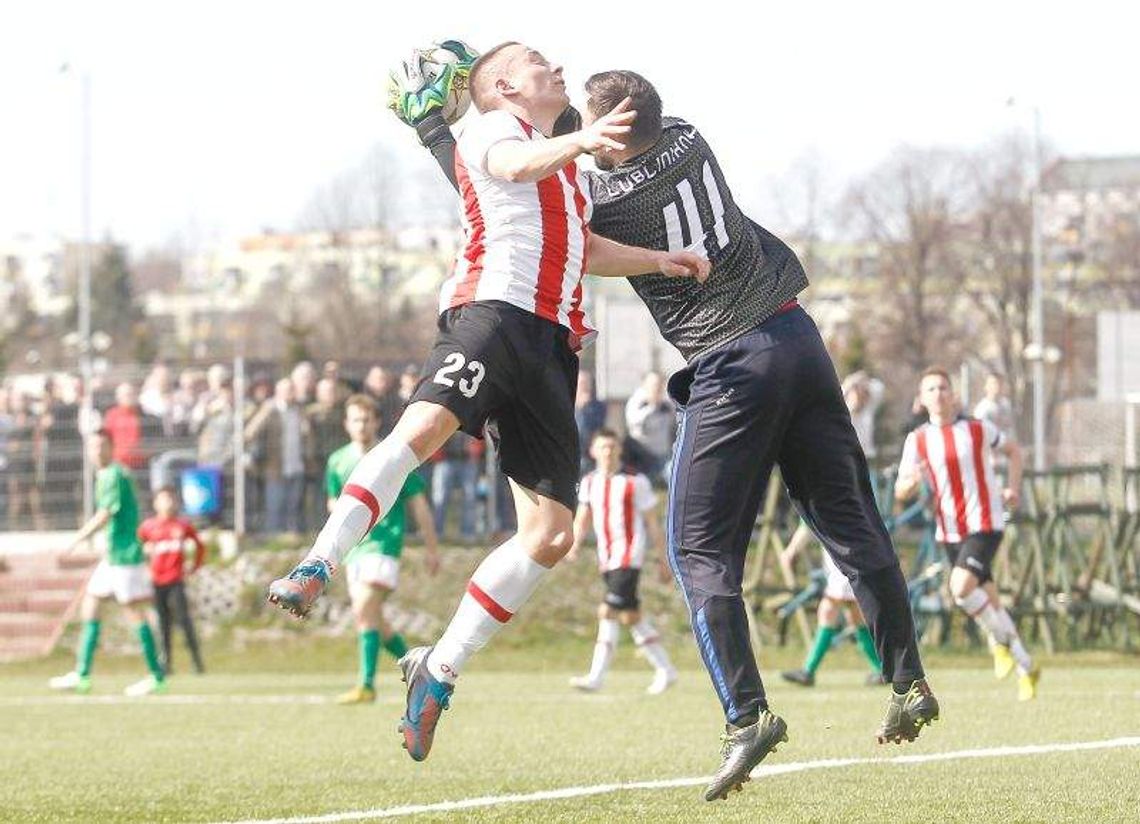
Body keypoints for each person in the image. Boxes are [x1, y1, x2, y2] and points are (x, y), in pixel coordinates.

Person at [397, 54, 937, 799]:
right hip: (798, 341)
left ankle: (746, 717)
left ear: (610, 136)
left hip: (731, 366)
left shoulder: (599, 194)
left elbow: (509, 194)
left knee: (698, 551)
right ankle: (908, 680)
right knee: (850, 521)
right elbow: (607, 143)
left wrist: (437, 133)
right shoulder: (689, 136)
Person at [270, 40, 706, 769]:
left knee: (553, 536)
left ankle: (436, 668)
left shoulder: (555, 156)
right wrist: (580, 138)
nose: (558, 68)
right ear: (503, 84)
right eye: (539, 60)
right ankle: (321, 560)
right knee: (426, 428)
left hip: (554, 349)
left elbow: (583, 246)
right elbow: (509, 167)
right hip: (494, 315)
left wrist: (659, 261)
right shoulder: (494, 132)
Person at [895, 367, 1039, 700]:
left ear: (953, 394)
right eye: (931, 389)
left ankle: (1000, 644)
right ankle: (1027, 666)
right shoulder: (917, 440)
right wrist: (911, 484)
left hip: (985, 523)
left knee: (961, 589)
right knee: (991, 601)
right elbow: (902, 490)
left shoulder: (976, 428)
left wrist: (1013, 489)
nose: (939, 393)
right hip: (950, 531)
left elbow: (1015, 451)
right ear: (921, 399)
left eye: (943, 387)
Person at [327, 395, 441, 704]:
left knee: (365, 608)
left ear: (376, 421)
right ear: (346, 424)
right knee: (373, 619)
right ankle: (423, 671)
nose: (361, 425)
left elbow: (419, 504)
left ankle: (366, 685)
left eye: (366, 419)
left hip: (384, 546)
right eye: (355, 419)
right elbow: (334, 504)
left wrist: (432, 548)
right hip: (354, 551)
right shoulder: (337, 461)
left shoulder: (392, 457)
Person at [49, 430, 166, 696]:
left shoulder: (113, 474)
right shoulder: (107, 474)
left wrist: (78, 539)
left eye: (101, 445)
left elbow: (105, 513)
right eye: (92, 446)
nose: (96, 451)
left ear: (112, 447)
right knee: (90, 605)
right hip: (112, 556)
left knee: (133, 612)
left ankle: (157, 675)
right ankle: (82, 675)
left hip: (125, 556)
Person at [568, 429, 675, 694]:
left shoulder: (635, 481)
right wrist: (574, 545)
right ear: (593, 451)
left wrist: (663, 559)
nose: (608, 452)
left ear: (619, 450)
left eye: (612, 447)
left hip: (629, 555)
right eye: (602, 447)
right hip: (607, 557)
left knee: (608, 611)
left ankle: (596, 677)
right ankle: (666, 669)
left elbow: (652, 523)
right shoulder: (590, 482)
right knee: (630, 616)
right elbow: (582, 518)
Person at [138, 487, 207, 674]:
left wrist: (194, 566)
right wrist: (145, 568)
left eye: (170, 499)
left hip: (175, 580)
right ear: (155, 503)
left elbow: (200, 546)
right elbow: (137, 548)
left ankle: (197, 662)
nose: (167, 502)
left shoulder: (182, 526)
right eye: (163, 499)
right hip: (157, 582)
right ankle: (166, 664)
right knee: (163, 623)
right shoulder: (148, 527)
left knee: (184, 621)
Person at [246, 378, 312, 534]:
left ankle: (291, 540)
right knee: (274, 508)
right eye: (287, 390)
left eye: (292, 390)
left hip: (296, 465)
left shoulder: (299, 410)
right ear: (278, 393)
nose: (291, 393)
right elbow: (250, 433)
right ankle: (273, 539)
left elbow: (308, 436)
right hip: (275, 468)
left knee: (294, 507)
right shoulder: (270, 410)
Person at [623, 371, 674, 483]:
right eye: (653, 385)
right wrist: (651, 407)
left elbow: (673, 424)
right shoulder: (636, 403)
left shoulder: (668, 405)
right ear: (644, 385)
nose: (656, 388)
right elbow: (634, 423)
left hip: (663, 456)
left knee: (673, 473)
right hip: (641, 457)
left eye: (660, 385)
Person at [574, 372, 607, 473]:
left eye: (588, 383)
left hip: (590, 452)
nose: (585, 387)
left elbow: (597, 427)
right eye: (582, 383)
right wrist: (579, 409)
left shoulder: (598, 406)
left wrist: (584, 409)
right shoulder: (566, 403)